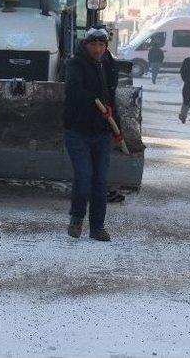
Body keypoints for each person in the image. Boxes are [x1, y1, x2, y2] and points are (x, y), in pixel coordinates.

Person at [63, 27, 118, 242]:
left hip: (102, 132)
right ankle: (76, 219)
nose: (97, 49)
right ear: (85, 45)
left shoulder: (109, 65)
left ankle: (97, 227)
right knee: (84, 177)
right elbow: (75, 90)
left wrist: (116, 126)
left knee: (100, 181)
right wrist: (95, 103)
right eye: (94, 45)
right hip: (78, 131)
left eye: (101, 45)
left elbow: (112, 98)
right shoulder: (75, 65)